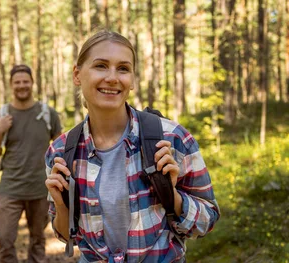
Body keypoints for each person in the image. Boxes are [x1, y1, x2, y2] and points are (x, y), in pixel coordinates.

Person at [44, 30, 220, 262]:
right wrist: (61, 204)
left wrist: (172, 195)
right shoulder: (61, 152)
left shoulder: (172, 138)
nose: (112, 77)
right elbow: (67, 236)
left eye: (123, 68)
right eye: (101, 66)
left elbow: (208, 219)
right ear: (77, 74)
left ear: (133, 80)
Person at [0, 64, 62, 263]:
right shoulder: (2, 114)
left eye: (25, 81)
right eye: (17, 82)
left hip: (40, 188)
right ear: (11, 85)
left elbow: (59, 150)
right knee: (4, 238)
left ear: (32, 83)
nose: (22, 86)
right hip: (10, 187)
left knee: (38, 239)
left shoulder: (48, 114)